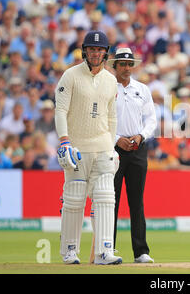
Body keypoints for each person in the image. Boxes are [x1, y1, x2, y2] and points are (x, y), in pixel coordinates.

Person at [54, 30, 121, 265]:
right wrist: (64, 141)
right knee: (74, 199)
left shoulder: (111, 80)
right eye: (91, 49)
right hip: (77, 149)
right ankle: (70, 251)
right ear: (85, 51)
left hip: (102, 147)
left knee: (105, 197)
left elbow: (112, 118)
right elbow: (60, 110)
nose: (95, 53)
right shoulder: (70, 75)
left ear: (105, 53)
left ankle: (104, 251)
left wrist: (112, 148)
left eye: (99, 49)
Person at [107, 47, 157, 263]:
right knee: (111, 200)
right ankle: (107, 248)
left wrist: (140, 136)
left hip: (137, 148)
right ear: (115, 66)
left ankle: (141, 252)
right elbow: (101, 120)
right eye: (122, 64)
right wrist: (116, 138)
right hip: (113, 148)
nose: (126, 68)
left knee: (136, 201)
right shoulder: (107, 87)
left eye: (129, 64)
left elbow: (152, 120)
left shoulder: (142, 89)